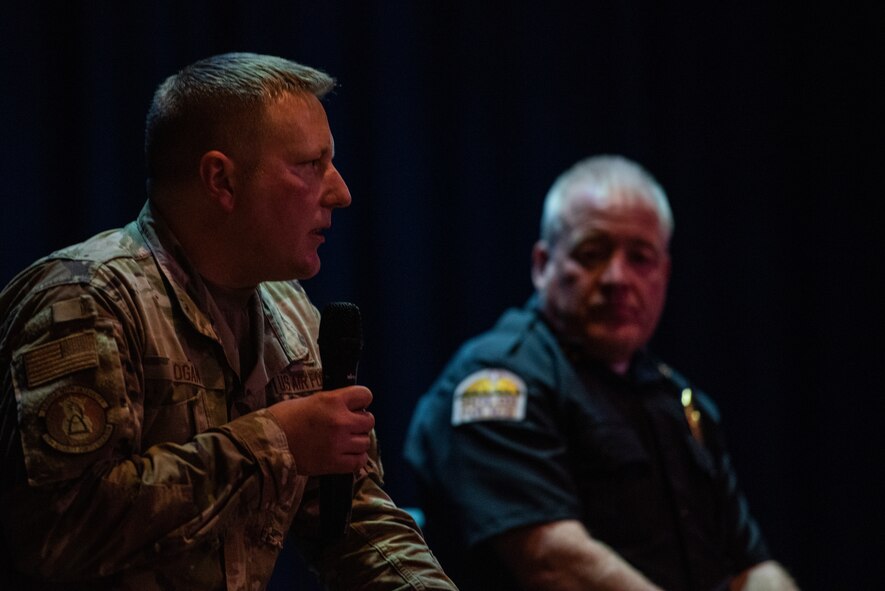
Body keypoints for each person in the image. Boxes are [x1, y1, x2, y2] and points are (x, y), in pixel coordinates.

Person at [0, 52, 455, 590]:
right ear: (222, 179)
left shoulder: (289, 312)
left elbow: (351, 519)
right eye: (311, 165)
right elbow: (56, 531)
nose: (340, 192)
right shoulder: (85, 299)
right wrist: (276, 444)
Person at [404, 155, 799, 591]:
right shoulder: (496, 381)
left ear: (664, 274)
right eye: (591, 254)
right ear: (542, 265)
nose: (617, 278)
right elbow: (551, 559)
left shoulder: (681, 401)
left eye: (640, 258)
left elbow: (751, 566)